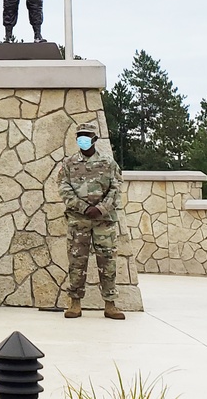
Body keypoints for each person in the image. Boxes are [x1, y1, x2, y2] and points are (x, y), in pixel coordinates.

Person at [57, 121, 125, 320]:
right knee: (77, 263)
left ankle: (110, 304)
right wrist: (84, 208)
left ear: (95, 139)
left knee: (108, 263)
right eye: (80, 136)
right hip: (79, 222)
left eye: (87, 135)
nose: (83, 139)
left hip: (104, 222)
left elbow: (116, 188)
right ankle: (75, 303)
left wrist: (101, 208)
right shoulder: (69, 164)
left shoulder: (108, 163)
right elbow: (64, 189)